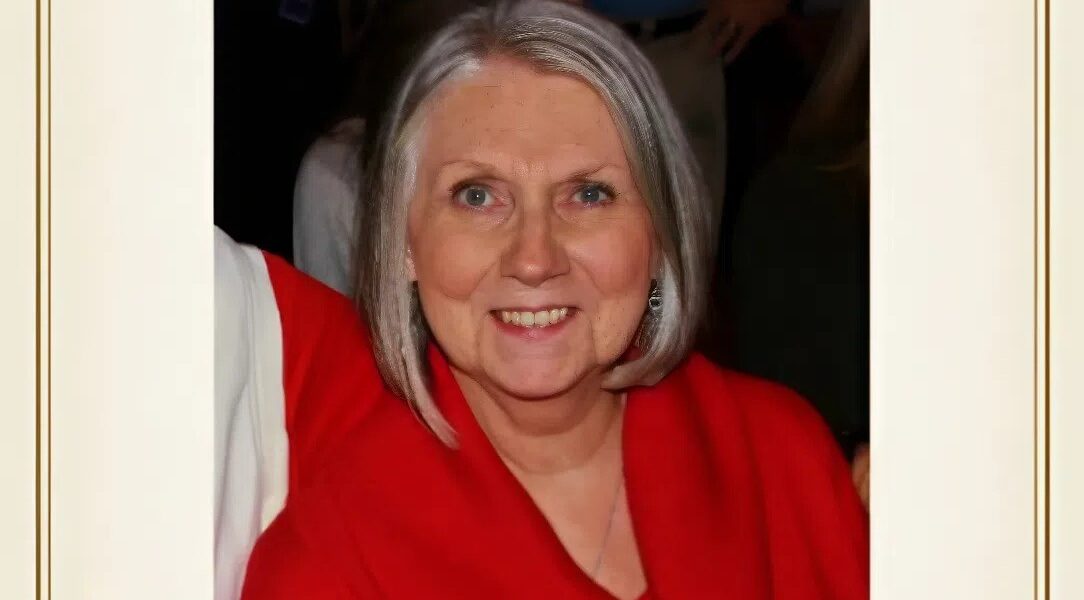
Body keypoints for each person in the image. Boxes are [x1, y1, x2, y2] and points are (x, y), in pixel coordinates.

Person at [231, 2, 866, 598]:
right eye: (477, 196)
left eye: (588, 194)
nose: (534, 258)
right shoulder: (332, 562)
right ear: (403, 243)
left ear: (660, 235)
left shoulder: (785, 459)